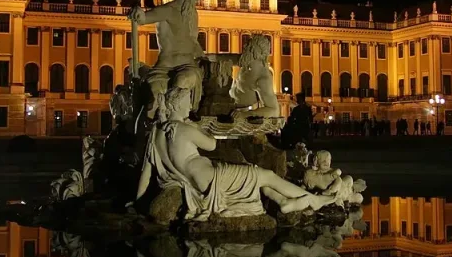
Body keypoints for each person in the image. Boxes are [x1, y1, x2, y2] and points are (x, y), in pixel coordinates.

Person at [137, 87, 335, 221]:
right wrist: (197, 127)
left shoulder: (156, 132)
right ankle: (312, 199)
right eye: (187, 103)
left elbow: (146, 171)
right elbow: (212, 145)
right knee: (265, 175)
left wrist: (138, 201)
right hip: (213, 180)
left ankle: (283, 201)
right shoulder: (183, 128)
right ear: (177, 105)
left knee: (253, 173)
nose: (190, 107)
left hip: (200, 181)